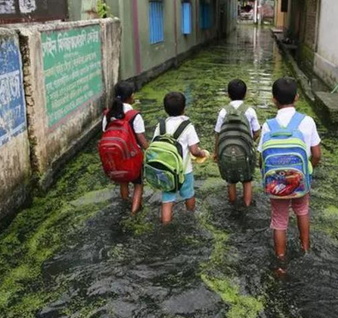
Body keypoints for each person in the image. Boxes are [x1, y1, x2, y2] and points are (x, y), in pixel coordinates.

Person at [257, 77, 321, 260]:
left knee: (279, 219)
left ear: (273, 99)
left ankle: (280, 260)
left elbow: (261, 157)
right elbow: (316, 154)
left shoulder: (268, 125)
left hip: (276, 183)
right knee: (302, 210)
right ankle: (305, 248)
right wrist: (308, 172)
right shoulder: (307, 121)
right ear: (297, 97)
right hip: (300, 181)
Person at [152, 92, 208, 224]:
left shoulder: (160, 126)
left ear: (165, 109)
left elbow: (154, 145)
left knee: (167, 199)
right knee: (189, 194)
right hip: (184, 170)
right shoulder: (188, 126)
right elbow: (194, 151)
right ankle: (191, 216)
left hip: (166, 170)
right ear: (184, 108)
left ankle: (165, 224)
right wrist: (202, 154)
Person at [214, 79, 261, 206]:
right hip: (245, 153)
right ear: (245, 94)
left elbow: (218, 134)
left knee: (231, 180)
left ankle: (233, 204)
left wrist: (216, 153)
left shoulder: (223, 111)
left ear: (228, 94)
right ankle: (246, 205)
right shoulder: (250, 110)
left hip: (226, 152)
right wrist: (249, 142)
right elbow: (257, 132)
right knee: (247, 181)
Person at [103, 81, 148, 213]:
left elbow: (105, 134)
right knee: (138, 185)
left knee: (123, 182)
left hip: (116, 157)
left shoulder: (108, 114)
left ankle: (124, 204)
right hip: (133, 157)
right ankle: (133, 213)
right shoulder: (134, 115)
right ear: (130, 97)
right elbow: (141, 139)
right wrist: (151, 151)